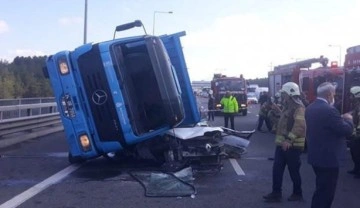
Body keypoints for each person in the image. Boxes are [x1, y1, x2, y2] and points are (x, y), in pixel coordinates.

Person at [305, 82, 353, 208]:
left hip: (316, 156)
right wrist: (349, 120)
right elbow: (346, 130)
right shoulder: (330, 110)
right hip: (329, 159)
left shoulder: (310, 108)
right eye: (334, 94)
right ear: (329, 94)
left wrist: (339, 118)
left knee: (321, 189)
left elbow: (324, 126)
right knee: (326, 193)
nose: (335, 97)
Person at [263, 82, 306, 203]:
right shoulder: (288, 107)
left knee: (294, 171)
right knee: (277, 170)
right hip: (282, 146)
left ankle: (298, 193)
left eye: (284, 93)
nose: (282, 96)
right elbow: (285, 121)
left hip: (292, 146)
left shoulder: (299, 108)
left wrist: (289, 140)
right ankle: (276, 193)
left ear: (290, 94)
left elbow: (300, 125)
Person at [348, 86, 360, 178]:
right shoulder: (356, 105)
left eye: (351, 95)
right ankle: (356, 169)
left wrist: (356, 132)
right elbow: (354, 112)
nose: (350, 97)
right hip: (355, 134)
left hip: (358, 135)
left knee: (357, 153)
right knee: (354, 152)